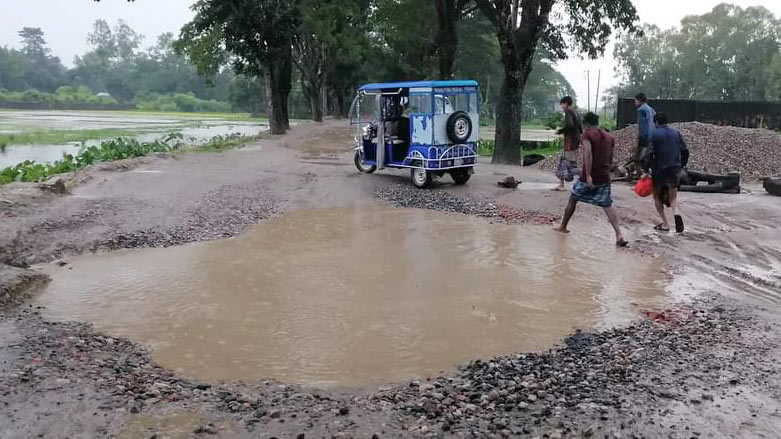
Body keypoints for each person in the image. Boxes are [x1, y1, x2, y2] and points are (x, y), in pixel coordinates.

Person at [554, 112, 628, 247]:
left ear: (586, 124)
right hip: (604, 175)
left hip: (590, 175)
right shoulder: (609, 136)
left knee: (573, 198)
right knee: (607, 204)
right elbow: (611, 158)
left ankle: (563, 226)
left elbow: (588, 153)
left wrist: (588, 175)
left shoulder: (587, 135)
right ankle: (619, 234)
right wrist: (610, 170)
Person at [643, 112, 689, 233]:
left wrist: (645, 169)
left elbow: (648, 154)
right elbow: (685, 151)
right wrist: (681, 165)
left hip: (659, 171)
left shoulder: (654, 134)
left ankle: (665, 223)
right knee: (673, 198)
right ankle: (677, 214)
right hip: (674, 170)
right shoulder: (676, 133)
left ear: (656, 122)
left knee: (657, 197)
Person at [553, 96, 582, 191]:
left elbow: (569, 125)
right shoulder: (576, 112)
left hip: (570, 143)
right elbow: (580, 128)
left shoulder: (568, 112)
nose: (561, 106)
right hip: (575, 141)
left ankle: (587, 177)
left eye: (562, 104)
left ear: (565, 103)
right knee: (563, 162)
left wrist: (560, 131)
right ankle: (561, 185)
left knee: (571, 165)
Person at [634, 93, 656, 176]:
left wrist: (640, 137)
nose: (635, 103)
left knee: (637, 159)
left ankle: (640, 177)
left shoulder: (641, 110)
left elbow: (642, 126)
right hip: (653, 136)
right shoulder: (651, 110)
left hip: (645, 137)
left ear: (639, 100)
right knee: (649, 157)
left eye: (635, 101)